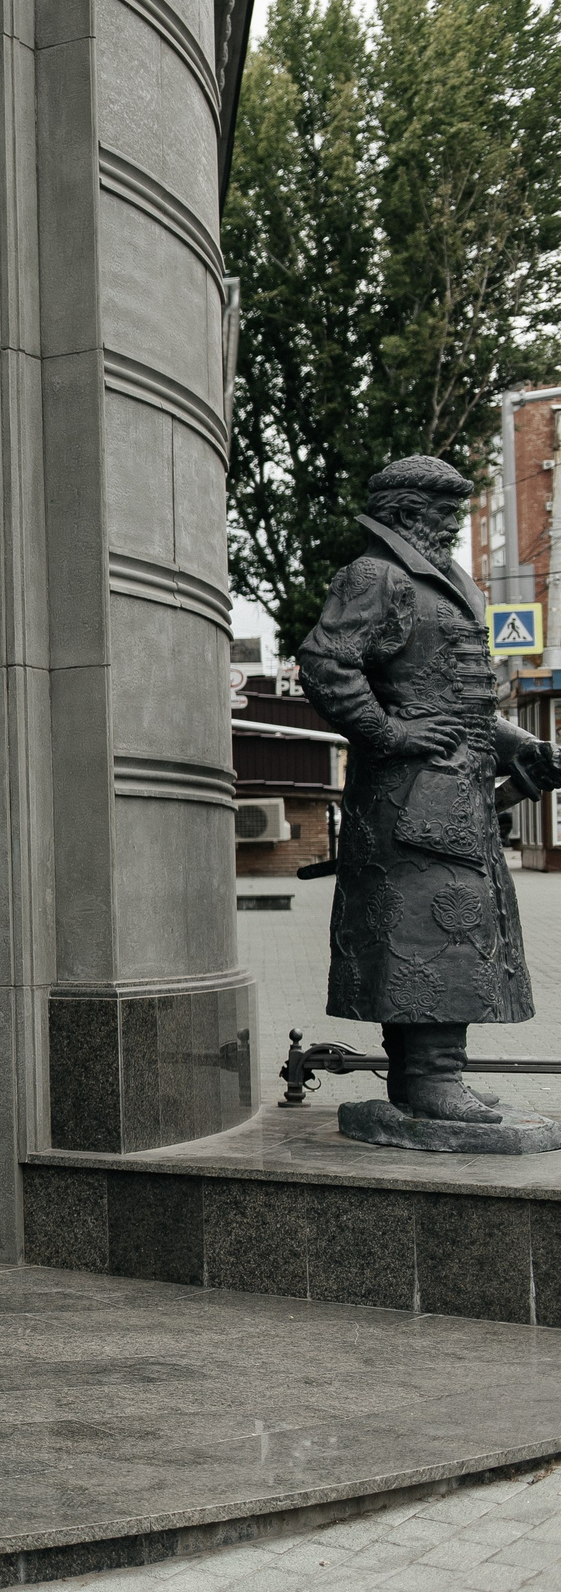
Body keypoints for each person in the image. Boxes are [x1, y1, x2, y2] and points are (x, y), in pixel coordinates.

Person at [297, 456, 561, 1125]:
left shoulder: (441, 580)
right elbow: (326, 663)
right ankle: (430, 1079)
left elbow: (458, 701)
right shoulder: (374, 574)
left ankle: (425, 1079)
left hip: (453, 795)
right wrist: (387, 734)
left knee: (451, 930)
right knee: (425, 932)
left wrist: (520, 747)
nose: (450, 522)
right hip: (404, 798)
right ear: (407, 510)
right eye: (442, 510)